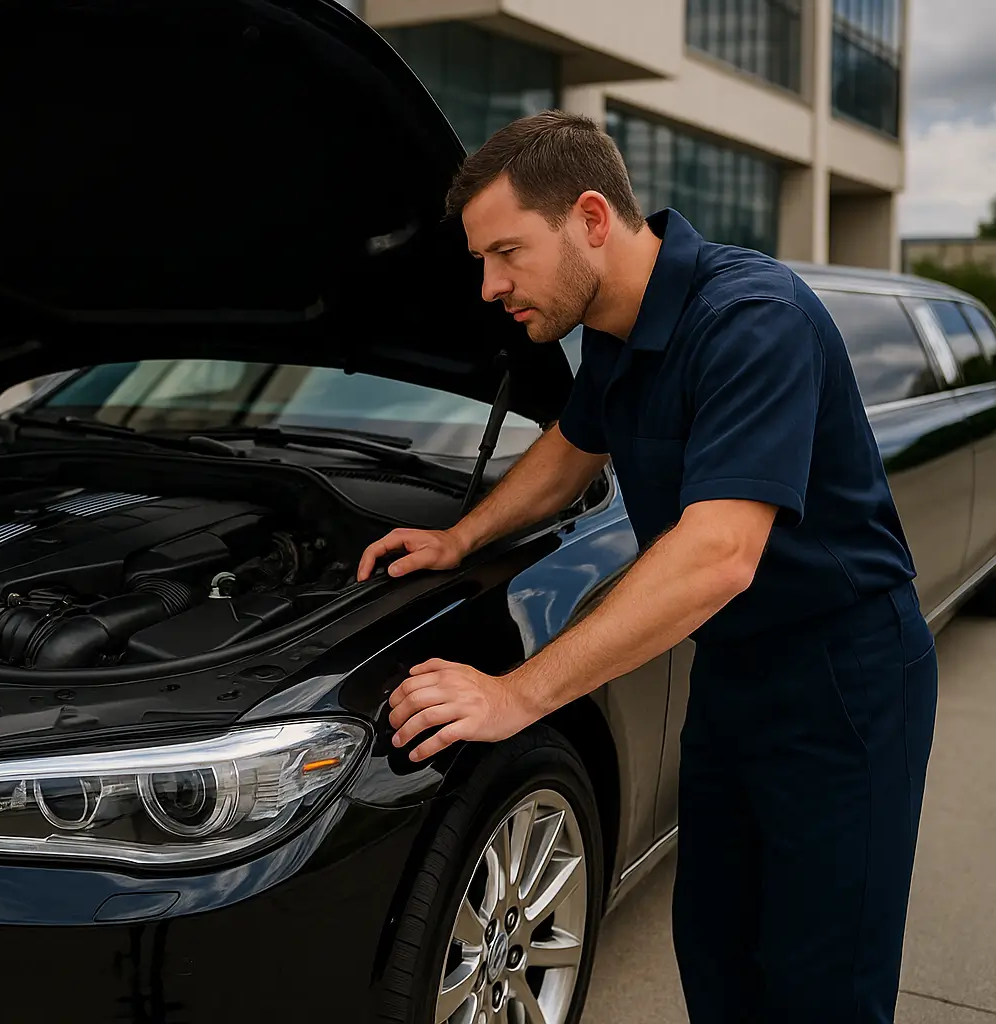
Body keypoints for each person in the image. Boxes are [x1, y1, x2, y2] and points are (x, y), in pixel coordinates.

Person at [358, 110, 937, 1024]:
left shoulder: (751, 319)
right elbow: (571, 448)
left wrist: (517, 694)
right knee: (717, 949)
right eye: (481, 261)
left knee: (822, 982)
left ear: (592, 218)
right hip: (734, 677)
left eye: (506, 253)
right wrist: (459, 539)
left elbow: (718, 555)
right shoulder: (617, 329)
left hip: (843, 681)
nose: (488, 287)